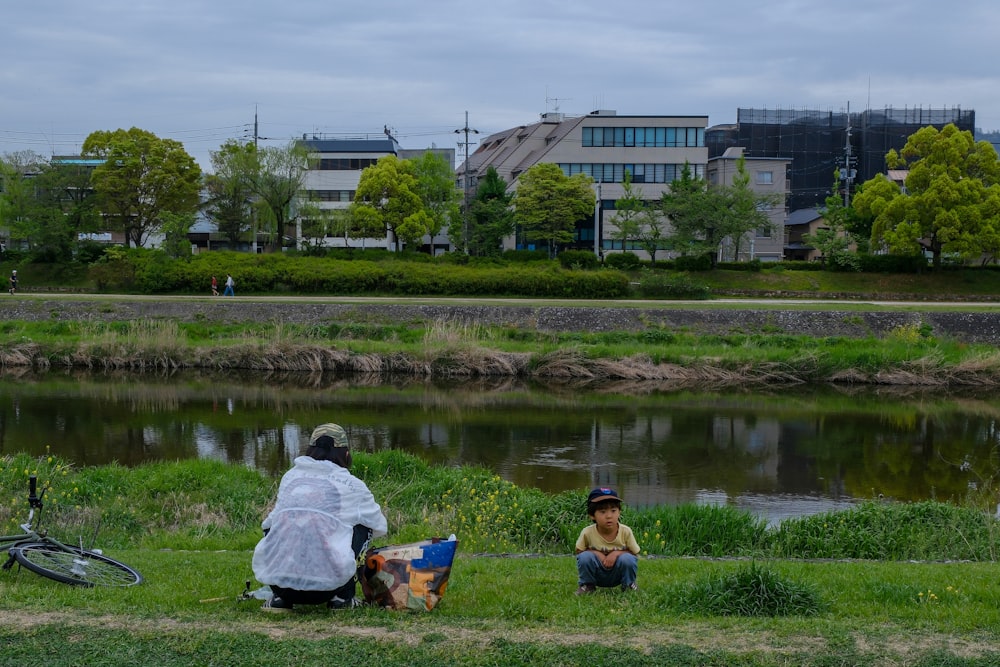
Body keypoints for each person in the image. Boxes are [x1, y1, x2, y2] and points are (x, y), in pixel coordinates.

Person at [252, 423, 387, 612]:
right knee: (365, 527)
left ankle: (280, 600)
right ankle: (342, 598)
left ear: (310, 450)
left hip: (280, 586)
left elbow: (268, 525)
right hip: (328, 587)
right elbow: (380, 525)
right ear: (345, 454)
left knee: (276, 525)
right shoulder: (352, 485)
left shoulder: (290, 477)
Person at [574, 487, 640, 595]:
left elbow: (635, 552)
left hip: (617, 573)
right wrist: (596, 553)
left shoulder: (625, 531)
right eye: (602, 512)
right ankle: (587, 585)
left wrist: (616, 553)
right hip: (597, 573)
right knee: (585, 557)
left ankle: (628, 585)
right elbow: (579, 550)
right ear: (592, 515)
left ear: (619, 512)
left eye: (613, 511)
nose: (609, 516)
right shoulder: (587, 532)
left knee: (628, 559)